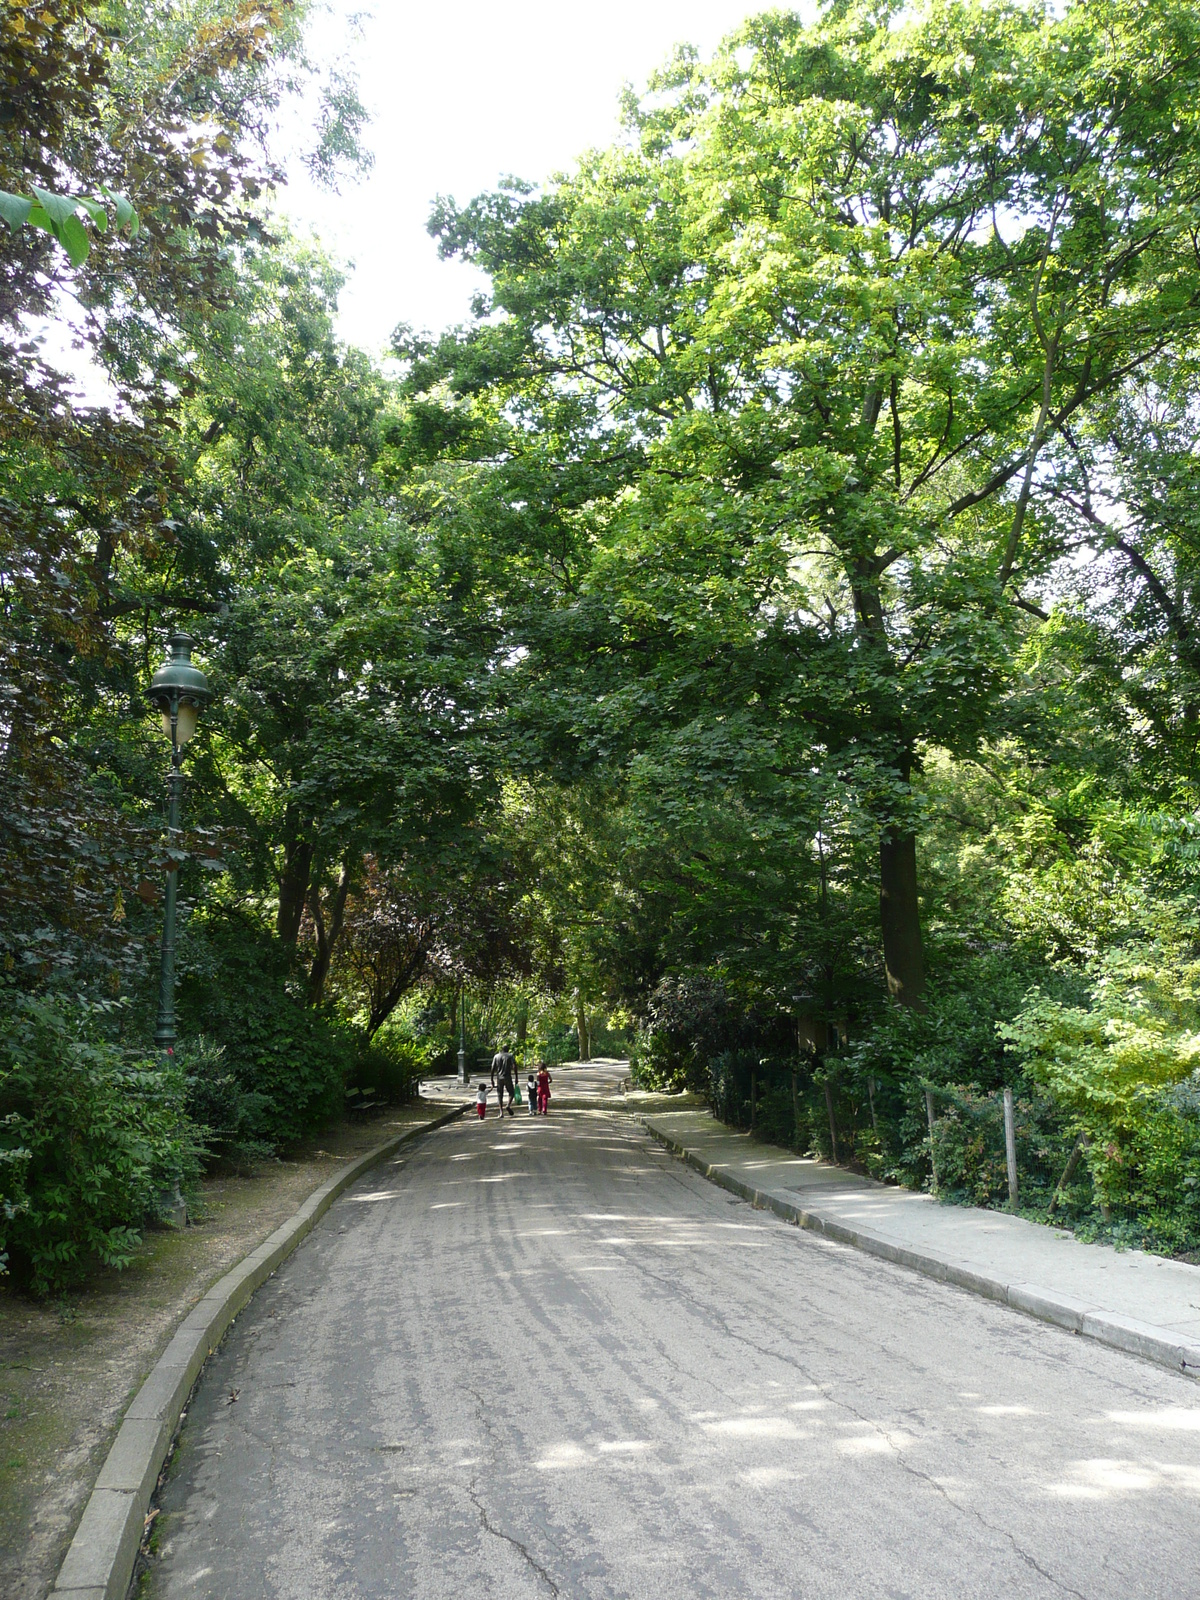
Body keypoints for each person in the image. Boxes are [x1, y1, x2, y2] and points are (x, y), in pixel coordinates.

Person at [490, 1042, 517, 1117]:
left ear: (502, 1049)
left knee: (500, 1095)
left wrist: (492, 1079)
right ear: (508, 1049)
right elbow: (514, 1066)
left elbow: (492, 1068)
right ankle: (508, 1105)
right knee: (511, 1092)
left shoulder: (496, 1056)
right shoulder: (510, 1055)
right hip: (507, 1077)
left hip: (499, 1078)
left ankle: (501, 1112)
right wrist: (516, 1077)